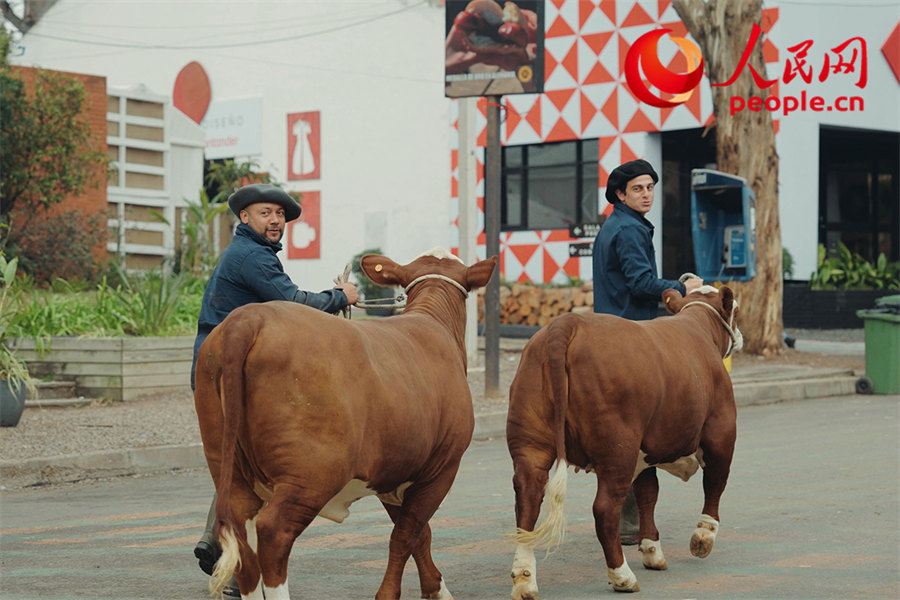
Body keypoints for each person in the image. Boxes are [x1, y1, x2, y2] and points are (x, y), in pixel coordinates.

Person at [191, 183, 358, 597]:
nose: (276, 221)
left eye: (280, 215)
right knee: (249, 462)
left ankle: (217, 545)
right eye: (266, 213)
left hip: (227, 366)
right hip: (233, 369)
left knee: (240, 457)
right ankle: (224, 552)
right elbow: (292, 302)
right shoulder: (251, 257)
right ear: (244, 218)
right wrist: (341, 296)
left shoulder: (253, 255)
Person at [591, 159, 703, 544]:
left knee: (625, 435)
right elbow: (640, 282)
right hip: (632, 335)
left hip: (611, 332)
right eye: (638, 189)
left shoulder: (617, 225)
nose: (646, 194)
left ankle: (629, 523)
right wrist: (682, 285)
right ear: (620, 194)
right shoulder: (628, 229)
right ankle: (627, 524)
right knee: (634, 436)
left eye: (650, 188)